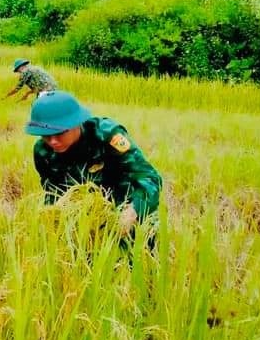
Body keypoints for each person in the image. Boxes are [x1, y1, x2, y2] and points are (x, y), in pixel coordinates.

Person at [23, 91, 161, 237]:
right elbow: (52, 192)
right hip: (83, 218)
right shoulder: (43, 152)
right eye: (45, 135)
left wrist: (133, 212)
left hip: (124, 206)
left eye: (59, 133)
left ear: (76, 123)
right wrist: (53, 219)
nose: (53, 141)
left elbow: (149, 178)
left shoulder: (106, 135)